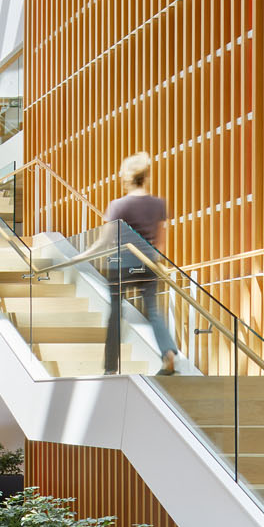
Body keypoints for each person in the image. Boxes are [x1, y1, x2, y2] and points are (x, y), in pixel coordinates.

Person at [98, 152, 180, 376]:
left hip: (121, 264)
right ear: (147, 177)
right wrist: (156, 262)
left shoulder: (118, 205)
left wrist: (88, 254)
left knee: (116, 311)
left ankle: (111, 366)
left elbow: (105, 240)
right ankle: (168, 354)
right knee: (153, 310)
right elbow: (161, 242)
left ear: (127, 178)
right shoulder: (158, 204)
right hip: (148, 263)